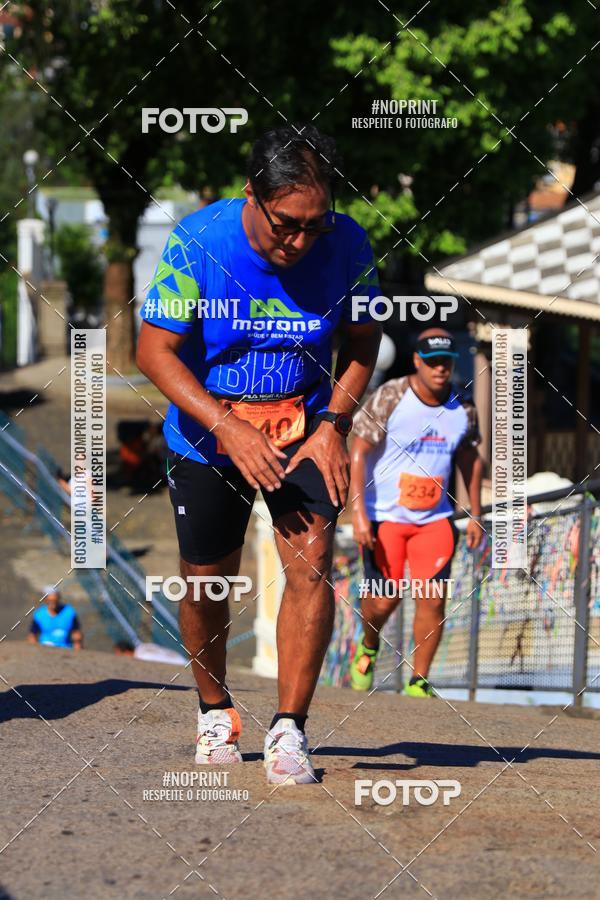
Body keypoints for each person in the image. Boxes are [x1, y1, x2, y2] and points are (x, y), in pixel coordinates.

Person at [137, 124, 381, 783]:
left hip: (305, 424)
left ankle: (290, 729)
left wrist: (332, 426)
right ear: (252, 195)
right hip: (209, 430)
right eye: (285, 224)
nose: (299, 241)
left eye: (313, 225)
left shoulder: (347, 243)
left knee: (311, 566)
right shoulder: (198, 242)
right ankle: (214, 709)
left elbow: (363, 345)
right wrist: (227, 425)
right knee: (208, 581)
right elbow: (152, 352)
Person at [349, 329, 483, 697]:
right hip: (385, 517)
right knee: (383, 599)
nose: (441, 369)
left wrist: (475, 512)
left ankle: (418, 680)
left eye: (447, 362)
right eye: (434, 362)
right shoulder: (391, 397)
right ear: (418, 362)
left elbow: (470, 459)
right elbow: (358, 451)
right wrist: (358, 512)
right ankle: (369, 645)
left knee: (433, 597)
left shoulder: (463, 406)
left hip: (433, 520)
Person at [114, 640, 187, 665]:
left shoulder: (142, 657)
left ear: (126, 652)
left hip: (180, 663)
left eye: (120, 655)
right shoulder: (142, 646)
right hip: (180, 659)